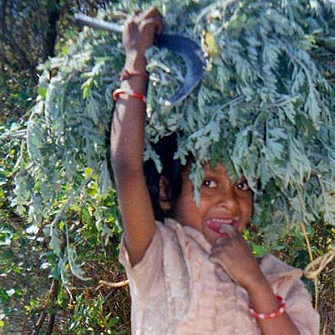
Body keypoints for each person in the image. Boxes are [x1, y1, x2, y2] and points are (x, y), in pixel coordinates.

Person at [110, 7, 320, 335]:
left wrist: (254, 282)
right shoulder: (158, 252)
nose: (230, 202)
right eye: (208, 182)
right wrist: (135, 61)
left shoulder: (278, 280)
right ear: (166, 192)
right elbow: (127, 169)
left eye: (242, 185)